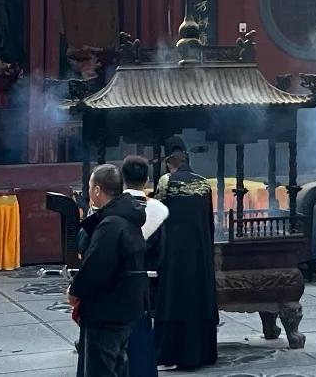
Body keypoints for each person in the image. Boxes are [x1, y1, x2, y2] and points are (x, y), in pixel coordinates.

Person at [68, 163, 147, 377]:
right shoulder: (127, 218)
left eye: (90, 186)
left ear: (97, 190)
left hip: (107, 310)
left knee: (101, 369)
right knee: (118, 366)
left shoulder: (111, 225)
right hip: (124, 307)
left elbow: (96, 268)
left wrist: (75, 291)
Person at [152, 137, 218, 369]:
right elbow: (209, 223)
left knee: (174, 300)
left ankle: (172, 354)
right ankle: (202, 354)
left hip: (174, 257)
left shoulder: (166, 182)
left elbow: (156, 218)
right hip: (199, 254)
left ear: (169, 161)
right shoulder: (204, 183)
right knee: (198, 299)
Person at [122, 155, 168, 377]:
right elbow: (161, 252)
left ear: (123, 178)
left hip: (117, 284)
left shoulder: (112, 207)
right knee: (141, 339)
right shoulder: (158, 210)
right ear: (147, 180)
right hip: (146, 282)